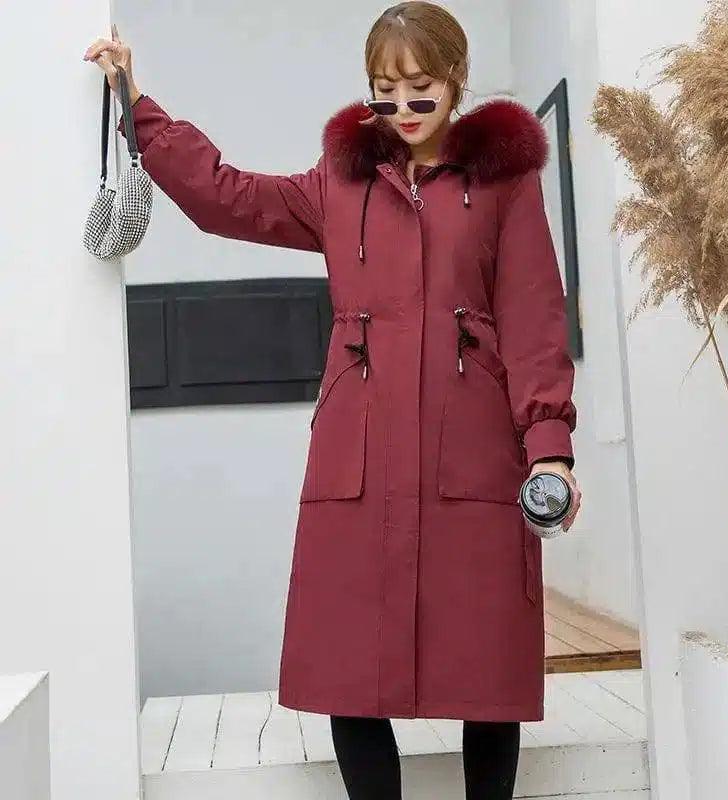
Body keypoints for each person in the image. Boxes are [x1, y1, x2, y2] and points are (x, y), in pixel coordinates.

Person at [84, 3, 582, 798]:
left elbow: (534, 317)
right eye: (386, 89)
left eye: (421, 87)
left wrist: (549, 447)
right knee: (350, 669)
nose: (404, 107)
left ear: (456, 79)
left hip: (474, 452)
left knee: (485, 667)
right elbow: (226, 196)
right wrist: (139, 107)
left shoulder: (502, 183)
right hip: (360, 455)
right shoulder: (339, 184)